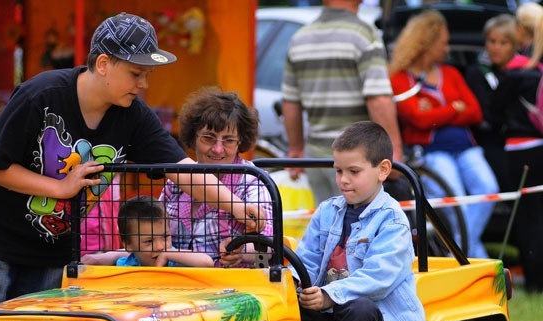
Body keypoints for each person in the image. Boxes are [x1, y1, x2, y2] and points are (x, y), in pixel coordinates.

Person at [0, 12, 264, 321]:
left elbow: (183, 170)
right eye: (136, 73)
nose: (144, 84)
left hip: (52, 246)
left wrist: (237, 206)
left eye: (147, 75)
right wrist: (59, 187)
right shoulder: (41, 95)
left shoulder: (133, 115)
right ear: (104, 64)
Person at [295, 121, 427, 321]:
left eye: (353, 171)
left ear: (383, 170)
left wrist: (328, 295)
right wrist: (297, 286)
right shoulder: (327, 211)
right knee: (283, 307)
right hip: (329, 312)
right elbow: (306, 259)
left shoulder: (391, 220)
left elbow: (379, 278)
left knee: (362, 311)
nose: (343, 180)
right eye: (339, 171)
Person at [388, 9, 499, 259]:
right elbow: (416, 118)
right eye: (443, 42)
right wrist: (453, 107)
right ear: (426, 42)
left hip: (465, 147)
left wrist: (436, 111)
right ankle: (473, 257)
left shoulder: (451, 73)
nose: (447, 47)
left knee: (488, 187)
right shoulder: (399, 77)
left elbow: (475, 112)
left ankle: (457, 250)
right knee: (455, 199)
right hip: (431, 152)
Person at [281, 0, 404, 204]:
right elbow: (378, 98)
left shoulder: (299, 38)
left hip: (316, 159)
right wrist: (394, 150)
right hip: (357, 160)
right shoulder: (364, 34)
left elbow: (290, 101)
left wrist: (296, 148)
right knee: (361, 231)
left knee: (330, 228)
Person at [161, 86, 273, 267]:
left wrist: (243, 253)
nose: (218, 149)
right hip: (176, 286)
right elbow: (153, 231)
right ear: (193, 137)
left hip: (231, 289)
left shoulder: (252, 181)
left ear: (240, 142)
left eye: (228, 140)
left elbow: (268, 249)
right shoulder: (176, 181)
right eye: (208, 138)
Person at [490, 4, 543, 292]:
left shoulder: (516, 71)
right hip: (540, 145)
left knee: (527, 218)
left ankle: (535, 282)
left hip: (520, 149)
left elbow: (493, 112)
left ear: (521, 30)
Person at [465, 14, 520, 192]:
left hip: (520, 140)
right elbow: (486, 115)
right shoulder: (477, 73)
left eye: (503, 43)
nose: (496, 48)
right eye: (492, 41)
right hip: (490, 143)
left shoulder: (524, 72)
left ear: (515, 45)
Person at [114, 195, 213, 267]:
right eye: (149, 241)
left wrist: (168, 255)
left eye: (165, 237)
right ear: (128, 244)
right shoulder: (125, 265)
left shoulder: (176, 258)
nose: (160, 247)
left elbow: (207, 262)